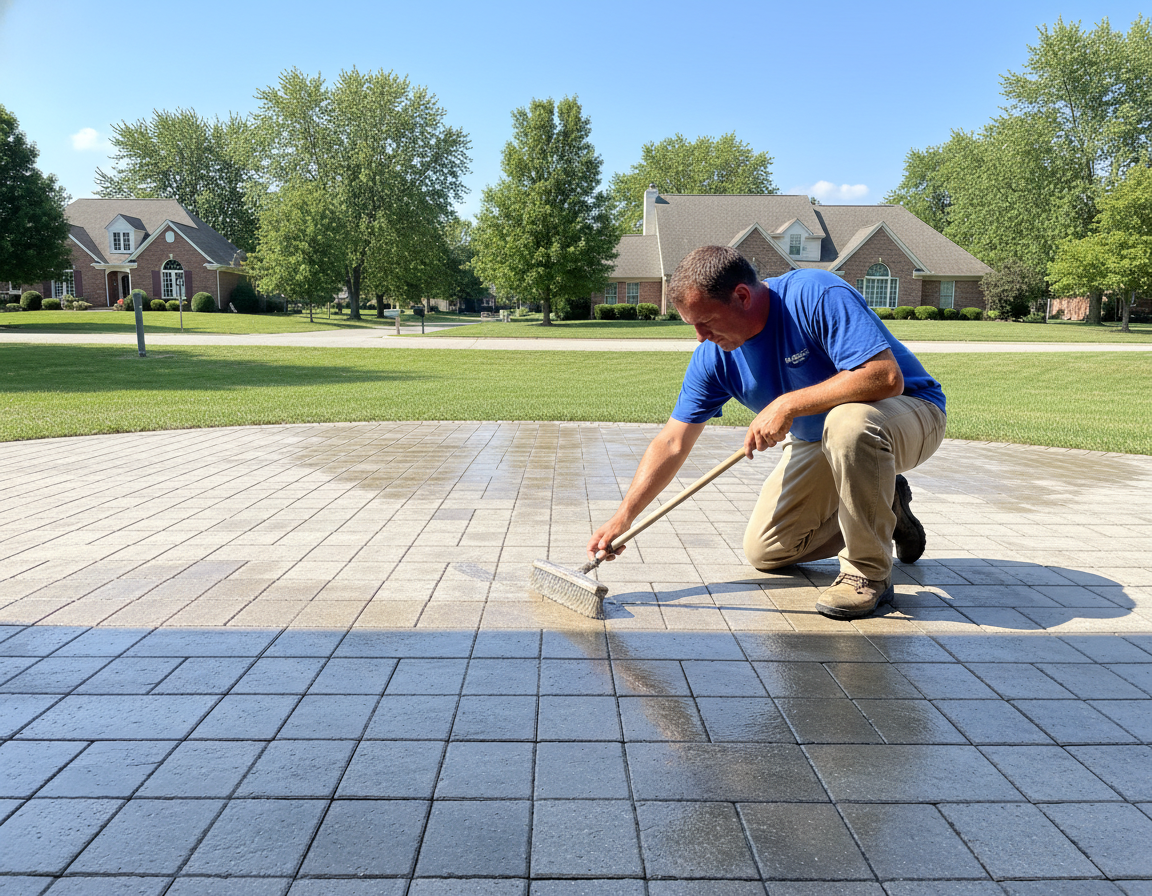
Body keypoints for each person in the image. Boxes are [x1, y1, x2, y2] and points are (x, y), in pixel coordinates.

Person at [587, 246, 947, 619]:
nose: (699, 336)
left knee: (848, 423)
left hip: (908, 416)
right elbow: (673, 441)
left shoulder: (814, 294)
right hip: (819, 441)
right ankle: (886, 505)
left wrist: (787, 404)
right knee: (769, 550)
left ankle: (867, 574)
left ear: (742, 296)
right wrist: (624, 516)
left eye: (705, 321)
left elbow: (884, 376)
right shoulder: (714, 357)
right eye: (691, 325)